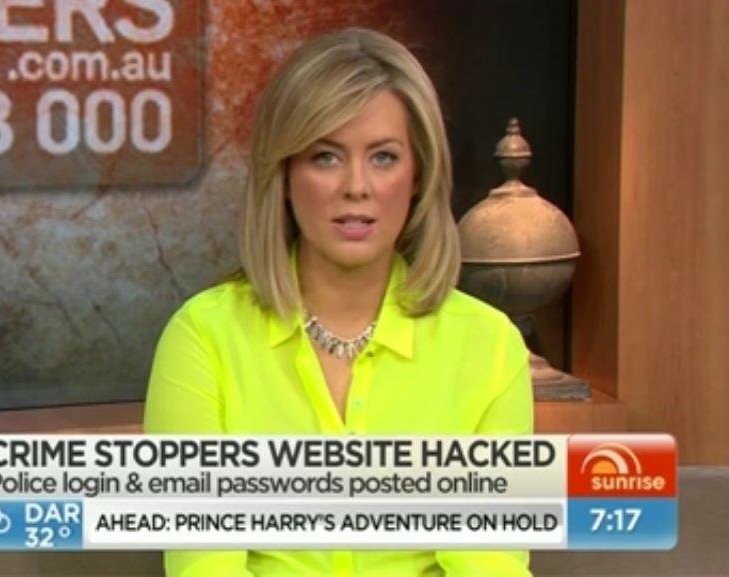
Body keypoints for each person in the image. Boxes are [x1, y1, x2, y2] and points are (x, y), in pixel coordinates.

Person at [143, 26, 534, 577]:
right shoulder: (204, 339)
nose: (356, 186)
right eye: (326, 157)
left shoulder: (488, 348)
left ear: (418, 174)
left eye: (383, 157)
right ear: (284, 175)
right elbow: (204, 566)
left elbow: (490, 565)